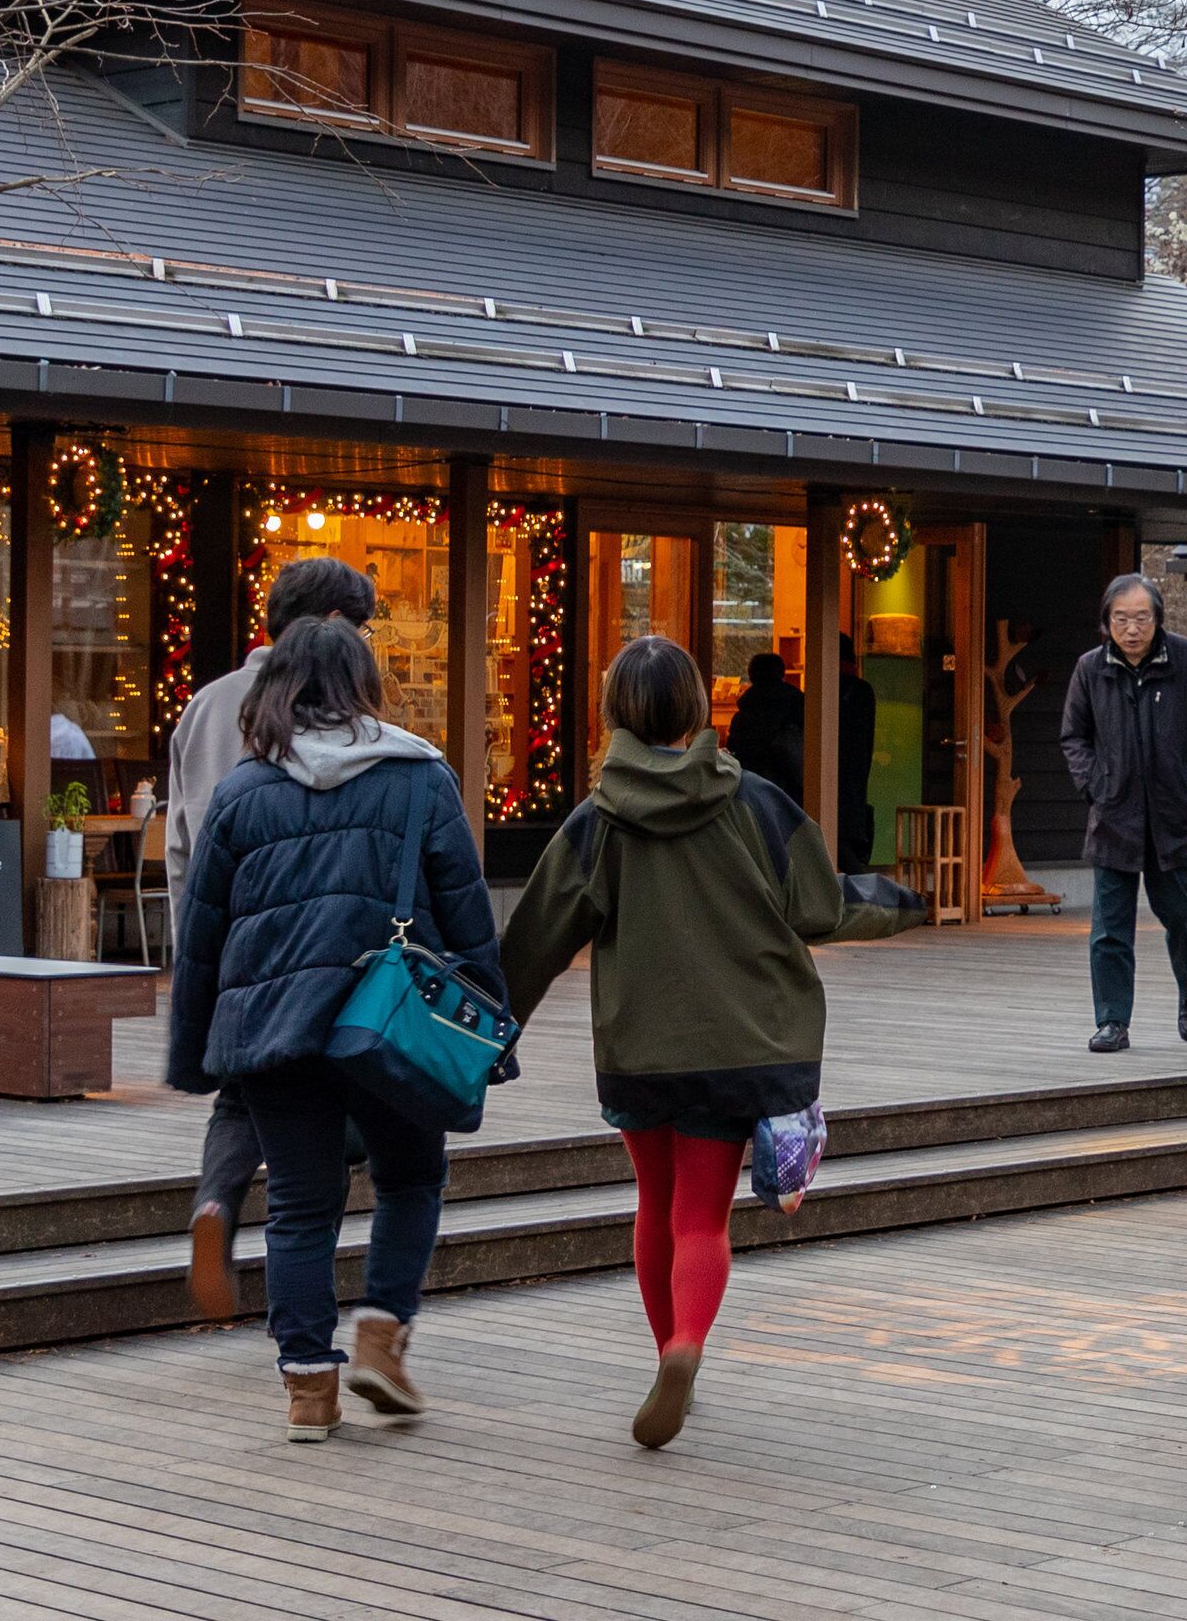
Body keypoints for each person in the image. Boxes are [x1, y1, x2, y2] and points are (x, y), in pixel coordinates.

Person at [502, 636, 923, 1449]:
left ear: (613, 713)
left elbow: (535, 939)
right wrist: (902, 900)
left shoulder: (597, 819)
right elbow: (820, 908)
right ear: (699, 708)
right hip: (742, 1044)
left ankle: (667, 1355)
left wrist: (490, 1037)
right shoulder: (757, 803)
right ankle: (690, 1346)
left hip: (637, 1047)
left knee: (654, 1204)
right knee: (704, 1217)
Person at [165, 616, 495, 1444]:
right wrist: (492, 1032)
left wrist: (195, 1051)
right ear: (363, 684)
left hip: (274, 1031)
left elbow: (202, 933)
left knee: (301, 1209)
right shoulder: (422, 777)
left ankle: (309, 1392)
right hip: (390, 1023)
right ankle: (382, 1335)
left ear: (279, 688)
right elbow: (466, 914)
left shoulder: (243, 791)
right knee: (411, 1180)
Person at [164, 554, 381, 1322]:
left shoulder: (204, 705)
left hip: (225, 938)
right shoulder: (346, 716)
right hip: (318, 940)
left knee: (239, 1090)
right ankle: (309, 1328)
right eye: (360, 626)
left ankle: (216, 1204)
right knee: (322, 1106)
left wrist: (192, 943)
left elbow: (182, 843)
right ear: (331, 626)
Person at [1057, 573, 1187, 1053]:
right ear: (1106, 622)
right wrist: (1094, 785)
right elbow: (1074, 736)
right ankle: (1112, 1020)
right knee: (1110, 928)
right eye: (1121, 618)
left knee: (1186, 918)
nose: (1132, 628)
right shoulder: (1091, 669)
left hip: (1174, 816)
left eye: (1141, 618)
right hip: (1114, 815)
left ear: (1158, 619)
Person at [725, 653, 805, 793]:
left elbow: (735, 748)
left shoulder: (745, 713)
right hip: (793, 787)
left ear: (751, 675)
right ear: (782, 673)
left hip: (753, 787)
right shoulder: (799, 706)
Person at [837, 635, 877, 874]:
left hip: (839, 771)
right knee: (850, 828)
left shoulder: (828, 688)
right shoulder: (862, 692)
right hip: (856, 772)